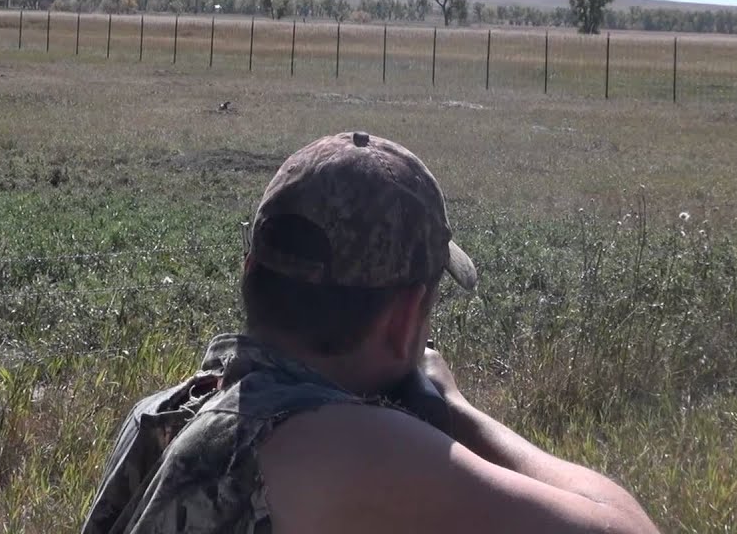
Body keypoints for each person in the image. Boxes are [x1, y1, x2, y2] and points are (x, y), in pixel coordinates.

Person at [81, 131, 659, 534]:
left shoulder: (164, 413)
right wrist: (455, 409)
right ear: (404, 319)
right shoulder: (345, 445)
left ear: (251, 270)